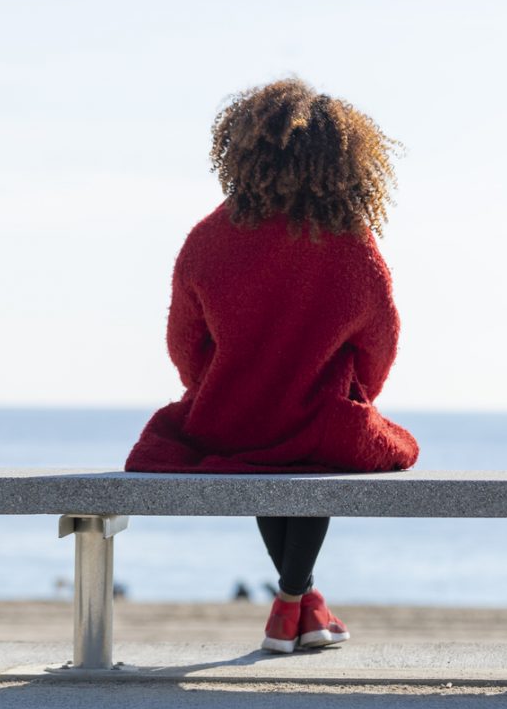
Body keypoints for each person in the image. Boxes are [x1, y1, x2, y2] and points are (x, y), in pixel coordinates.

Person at [126, 78, 418, 653]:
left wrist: (220, 388)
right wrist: (357, 391)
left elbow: (184, 344)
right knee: (319, 451)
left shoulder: (208, 239)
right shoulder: (349, 240)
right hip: (317, 421)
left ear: (243, 151)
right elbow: (381, 341)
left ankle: (302, 607)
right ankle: (290, 603)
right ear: (342, 159)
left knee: (259, 448)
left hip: (231, 419)